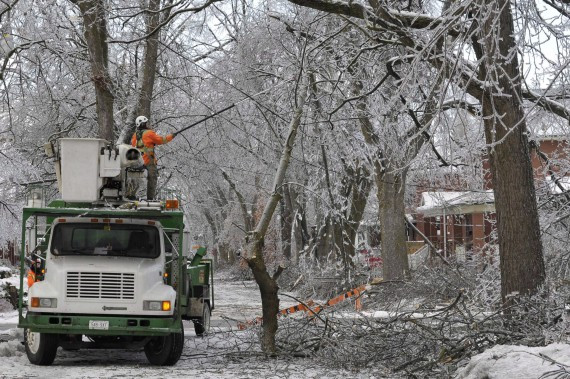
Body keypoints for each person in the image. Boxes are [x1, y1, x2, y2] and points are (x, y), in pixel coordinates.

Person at [131, 115, 175, 200]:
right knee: (152, 178)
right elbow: (161, 140)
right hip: (148, 161)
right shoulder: (149, 133)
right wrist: (171, 136)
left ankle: (131, 194)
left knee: (135, 177)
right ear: (143, 124)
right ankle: (150, 198)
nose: (147, 124)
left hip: (138, 161)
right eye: (146, 123)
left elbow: (133, 146)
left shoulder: (134, 135)